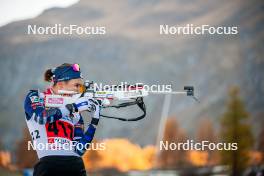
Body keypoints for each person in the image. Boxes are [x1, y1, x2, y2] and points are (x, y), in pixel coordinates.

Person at [24, 63, 100, 176]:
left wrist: (94, 121)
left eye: (81, 86)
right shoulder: (36, 97)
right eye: (76, 85)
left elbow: (79, 150)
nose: (80, 90)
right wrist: (73, 107)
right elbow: (42, 117)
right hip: (49, 164)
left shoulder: (75, 109)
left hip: (75, 165)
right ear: (60, 84)